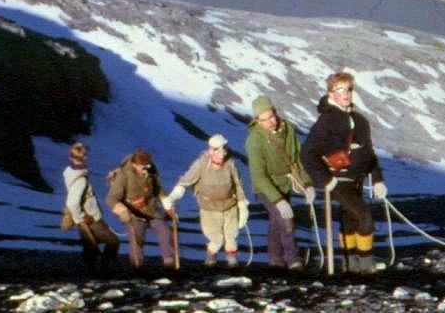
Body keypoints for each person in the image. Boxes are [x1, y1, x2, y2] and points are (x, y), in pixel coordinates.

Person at [301, 72, 387, 274]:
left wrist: (377, 179)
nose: (345, 94)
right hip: (338, 180)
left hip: (357, 179)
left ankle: (352, 265)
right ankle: (366, 265)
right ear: (331, 94)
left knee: (350, 221)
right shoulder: (326, 121)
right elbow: (307, 153)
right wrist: (326, 179)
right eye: (339, 90)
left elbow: (369, 153)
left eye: (348, 89)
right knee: (365, 217)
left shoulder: (360, 120)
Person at [245, 95, 315, 271]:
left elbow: (296, 159)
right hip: (265, 188)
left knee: (276, 223)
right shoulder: (254, 141)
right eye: (264, 119)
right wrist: (277, 199)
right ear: (257, 120)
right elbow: (259, 175)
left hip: (285, 183)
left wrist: (307, 183)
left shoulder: (288, 129)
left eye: (271, 116)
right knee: (286, 219)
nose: (270, 122)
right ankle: (293, 260)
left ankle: (275, 261)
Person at [162, 134, 249, 268]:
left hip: (229, 206)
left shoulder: (231, 164)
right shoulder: (200, 165)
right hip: (209, 209)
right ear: (210, 150)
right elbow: (185, 182)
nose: (221, 153)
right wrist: (173, 196)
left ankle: (232, 262)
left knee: (231, 236)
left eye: (224, 149)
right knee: (216, 239)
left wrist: (242, 206)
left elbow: (238, 185)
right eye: (217, 150)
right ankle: (210, 259)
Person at [106, 149, 176, 269]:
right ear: (134, 165)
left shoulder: (151, 170)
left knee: (166, 232)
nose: (146, 169)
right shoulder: (124, 175)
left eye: (148, 166)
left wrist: (167, 204)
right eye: (143, 167)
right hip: (133, 212)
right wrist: (122, 211)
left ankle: (169, 263)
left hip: (151, 208)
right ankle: (137, 266)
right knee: (136, 240)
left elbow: (157, 189)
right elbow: (112, 198)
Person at [63, 142, 119, 276]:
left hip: (83, 217)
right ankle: (102, 269)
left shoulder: (69, 171)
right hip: (90, 217)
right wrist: (81, 218)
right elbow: (72, 202)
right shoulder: (80, 179)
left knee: (89, 245)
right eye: (84, 156)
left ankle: (92, 272)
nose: (86, 159)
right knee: (113, 242)